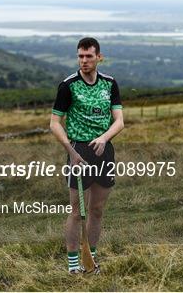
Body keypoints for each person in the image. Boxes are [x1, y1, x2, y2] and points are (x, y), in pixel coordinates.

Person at [49, 37, 124, 274]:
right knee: (76, 211)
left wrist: (103, 138)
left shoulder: (110, 84)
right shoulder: (68, 85)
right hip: (78, 151)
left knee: (97, 210)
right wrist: (71, 151)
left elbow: (119, 121)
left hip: (104, 151)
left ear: (99, 57)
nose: (84, 61)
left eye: (89, 56)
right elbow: (54, 123)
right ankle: (73, 265)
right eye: (80, 56)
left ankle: (90, 260)